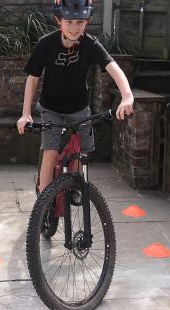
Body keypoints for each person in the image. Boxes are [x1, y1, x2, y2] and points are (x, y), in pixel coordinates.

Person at [16, 0, 134, 192]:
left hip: (79, 108)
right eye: (69, 22)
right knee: (50, 151)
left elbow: (114, 68)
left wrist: (127, 96)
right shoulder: (47, 44)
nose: (74, 27)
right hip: (51, 108)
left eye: (79, 22)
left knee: (82, 151)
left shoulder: (90, 44)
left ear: (87, 21)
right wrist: (25, 113)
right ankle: (43, 202)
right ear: (58, 20)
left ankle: (75, 186)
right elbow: (33, 78)